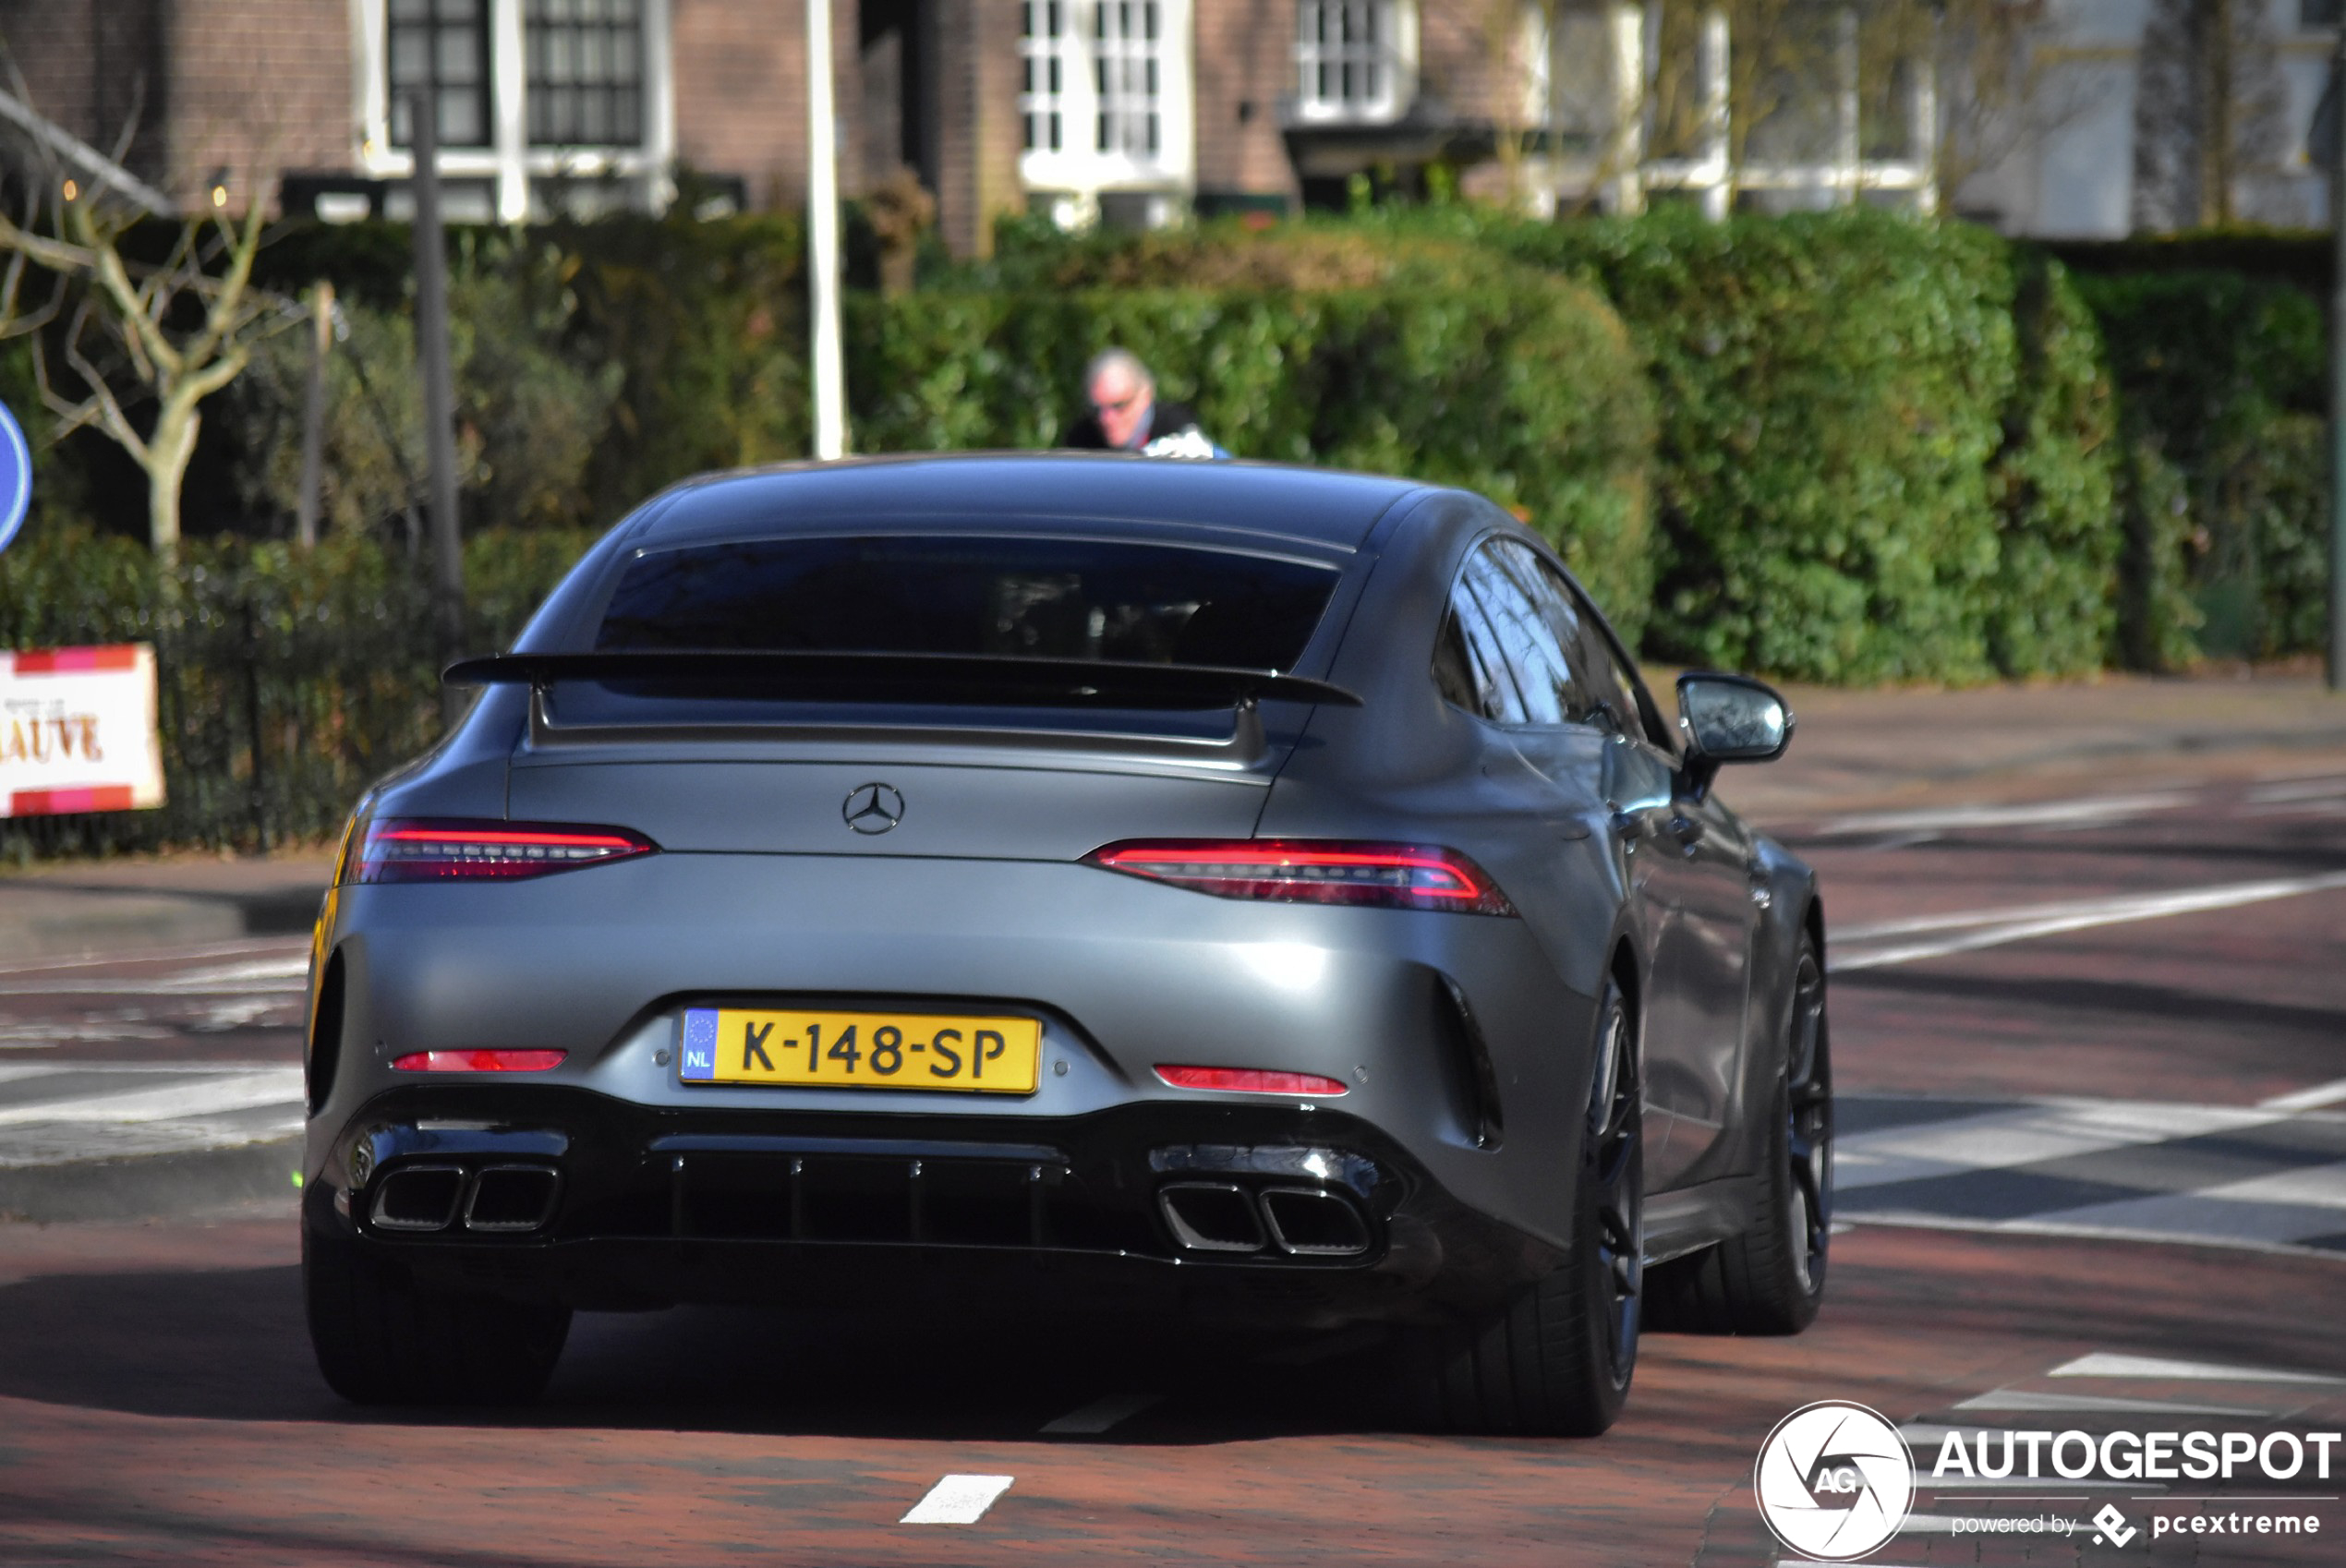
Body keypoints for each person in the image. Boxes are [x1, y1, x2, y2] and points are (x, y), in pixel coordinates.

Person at [1059, 349, 1226, 459]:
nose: (1106, 418)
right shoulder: (1079, 441)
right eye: (1096, 410)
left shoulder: (1179, 430)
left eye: (1119, 406)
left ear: (1144, 396)